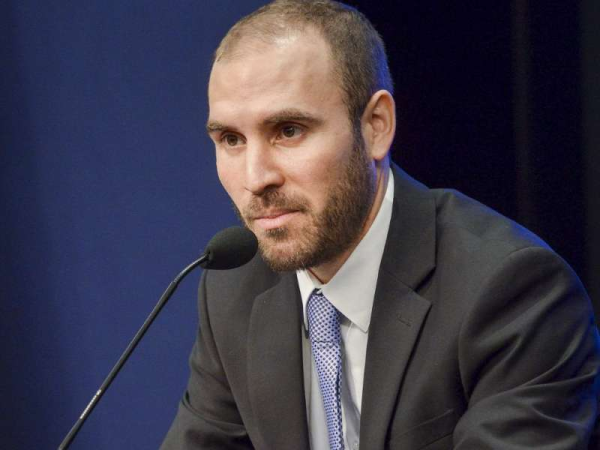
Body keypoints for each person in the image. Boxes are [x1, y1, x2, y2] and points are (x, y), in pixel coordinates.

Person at [161, 1, 600, 448]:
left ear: (376, 126)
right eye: (231, 139)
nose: (255, 178)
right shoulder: (234, 289)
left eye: (289, 130)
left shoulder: (511, 290)